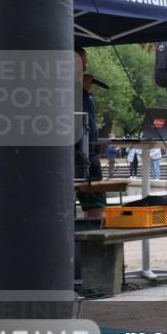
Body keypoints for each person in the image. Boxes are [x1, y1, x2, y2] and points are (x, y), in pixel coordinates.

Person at [74, 47, 105, 219]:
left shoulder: (83, 92)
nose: (86, 68)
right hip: (76, 153)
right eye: (82, 63)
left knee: (95, 201)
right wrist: (82, 91)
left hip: (90, 151)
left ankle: (95, 235)